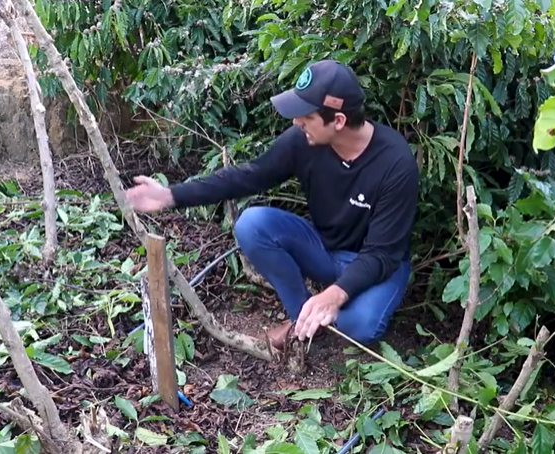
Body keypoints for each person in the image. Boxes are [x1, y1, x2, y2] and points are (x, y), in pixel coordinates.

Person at [125, 60, 419, 350]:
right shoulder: (302, 141)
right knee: (252, 225)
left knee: (358, 326)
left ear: (338, 121)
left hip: (377, 264)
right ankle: (299, 318)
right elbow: (250, 176)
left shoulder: (395, 163)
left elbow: (382, 253)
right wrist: (171, 196)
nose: (296, 121)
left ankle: (333, 306)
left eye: (306, 115)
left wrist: (334, 295)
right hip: (324, 249)